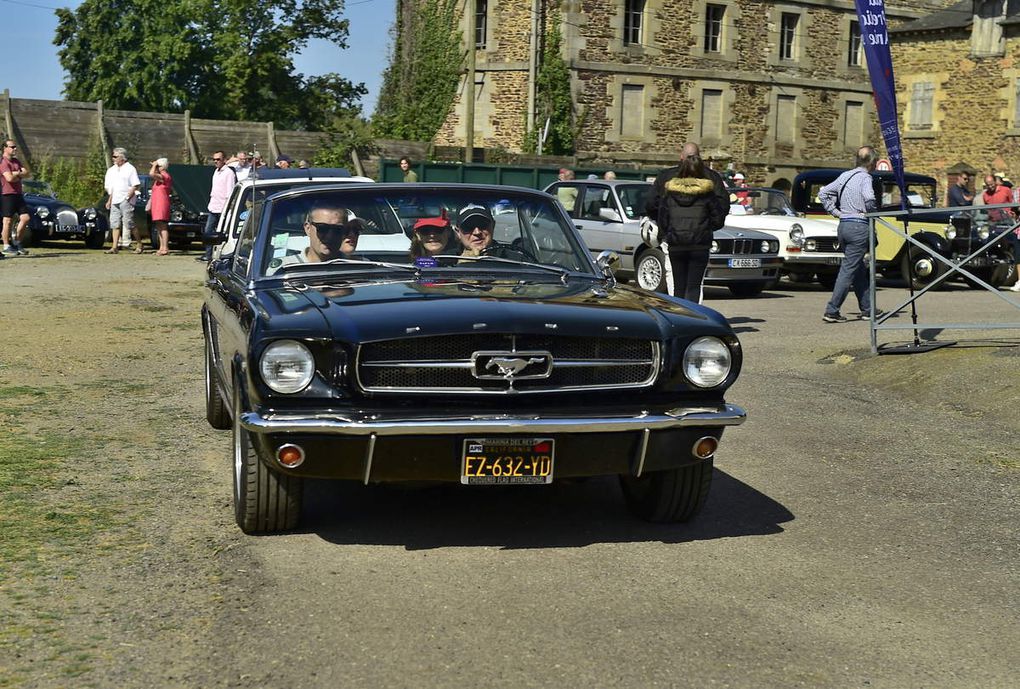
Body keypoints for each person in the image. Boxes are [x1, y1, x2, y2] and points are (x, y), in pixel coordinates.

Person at [644, 144, 727, 302]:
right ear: (699, 159)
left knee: (677, 284)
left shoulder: (668, 184)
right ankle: (693, 320)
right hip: (700, 242)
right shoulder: (709, 186)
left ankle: (679, 318)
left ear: (681, 157)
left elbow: (654, 208)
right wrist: (707, 227)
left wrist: (667, 231)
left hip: (675, 241)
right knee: (695, 285)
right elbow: (720, 212)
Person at [817, 146, 886, 323]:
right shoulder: (865, 178)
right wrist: (872, 214)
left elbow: (823, 193)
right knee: (848, 270)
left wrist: (837, 212)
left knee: (858, 270)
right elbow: (869, 198)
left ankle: (868, 309)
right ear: (872, 163)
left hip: (844, 226)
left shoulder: (845, 176)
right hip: (859, 226)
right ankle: (832, 310)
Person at [271, 207, 361, 270]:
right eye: (322, 228)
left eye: (337, 229)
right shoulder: (283, 270)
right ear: (308, 228)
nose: (330, 236)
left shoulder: (360, 268)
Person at [198, 151, 237, 262]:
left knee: (223, 233)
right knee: (208, 231)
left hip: (223, 208)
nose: (215, 161)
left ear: (224, 160)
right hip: (213, 206)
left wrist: (228, 207)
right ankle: (208, 254)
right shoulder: (216, 171)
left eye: (218, 159)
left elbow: (230, 191)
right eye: (214, 159)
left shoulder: (229, 173)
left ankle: (224, 255)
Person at [103, 147, 141, 254]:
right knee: (115, 223)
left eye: (115, 156)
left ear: (122, 157)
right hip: (115, 199)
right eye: (113, 156)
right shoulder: (112, 170)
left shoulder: (130, 169)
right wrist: (109, 200)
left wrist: (128, 197)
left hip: (126, 199)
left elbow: (135, 184)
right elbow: (112, 188)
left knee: (129, 223)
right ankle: (114, 246)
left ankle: (139, 243)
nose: (113, 158)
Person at [1, 139, 31, 256]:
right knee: (7, 221)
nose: (15, 149)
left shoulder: (16, 161)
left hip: (18, 194)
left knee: (25, 218)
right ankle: (6, 246)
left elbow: (27, 173)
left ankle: (17, 242)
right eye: (12, 147)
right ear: (5, 148)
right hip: (7, 194)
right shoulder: (3, 162)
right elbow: (9, 178)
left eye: (15, 147)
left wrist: (15, 173)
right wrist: (19, 174)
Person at [148, 158, 172, 255]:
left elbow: (151, 174)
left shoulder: (165, 176)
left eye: (158, 166)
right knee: (158, 226)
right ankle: (161, 247)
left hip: (162, 204)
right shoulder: (158, 179)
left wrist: (154, 165)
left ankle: (165, 248)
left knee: (163, 226)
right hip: (157, 203)